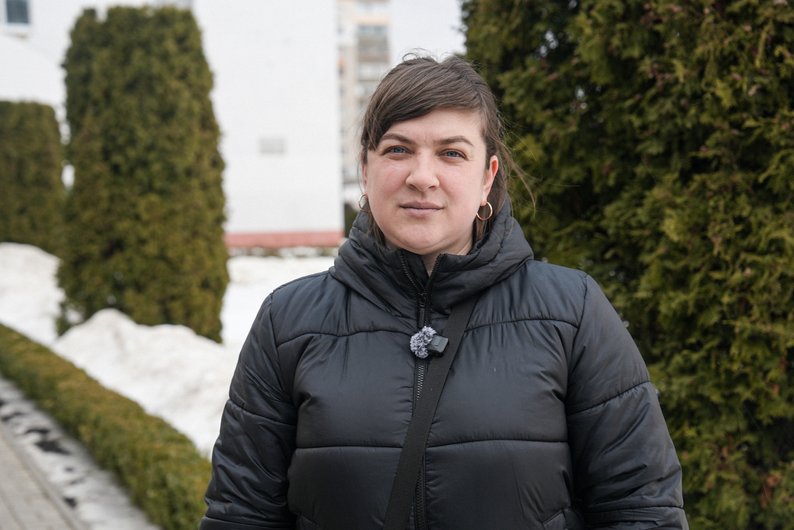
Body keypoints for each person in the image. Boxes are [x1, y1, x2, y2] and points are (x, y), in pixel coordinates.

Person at [200, 56, 688, 529]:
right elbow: (241, 514)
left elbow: (641, 508)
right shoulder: (288, 322)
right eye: (398, 150)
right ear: (365, 170)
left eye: (451, 153)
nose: (422, 176)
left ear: (487, 178)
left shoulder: (571, 312)